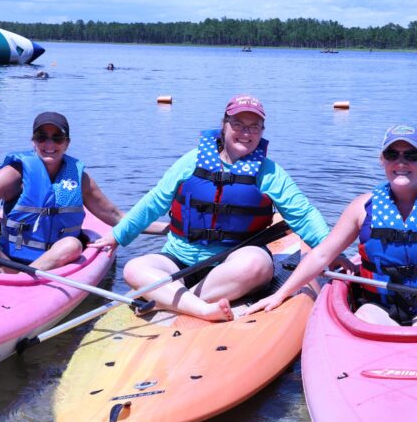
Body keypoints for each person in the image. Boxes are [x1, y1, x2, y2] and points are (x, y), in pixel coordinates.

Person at [91, 95, 336, 321]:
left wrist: (334, 252)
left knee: (256, 266)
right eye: (238, 124)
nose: (246, 133)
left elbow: (304, 215)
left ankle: (171, 298)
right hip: (181, 258)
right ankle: (201, 308)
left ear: (262, 131)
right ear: (224, 125)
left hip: (234, 262)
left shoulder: (269, 172)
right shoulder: (192, 160)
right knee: (135, 268)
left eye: (254, 127)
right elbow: (154, 202)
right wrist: (117, 235)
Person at [245, 124, 417, 327]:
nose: (401, 162)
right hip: (378, 305)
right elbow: (322, 254)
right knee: (366, 322)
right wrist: (281, 294)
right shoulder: (362, 207)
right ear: (382, 160)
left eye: (411, 155)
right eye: (392, 154)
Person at [0, 111, 165, 272]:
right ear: (33, 141)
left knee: (72, 245)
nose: (49, 144)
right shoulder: (13, 174)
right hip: (8, 259)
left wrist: (171, 228)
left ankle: (21, 281)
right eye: (41, 137)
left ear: (67, 143)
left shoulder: (78, 177)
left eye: (57, 138)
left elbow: (116, 216)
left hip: (58, 263)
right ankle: (15, 277)